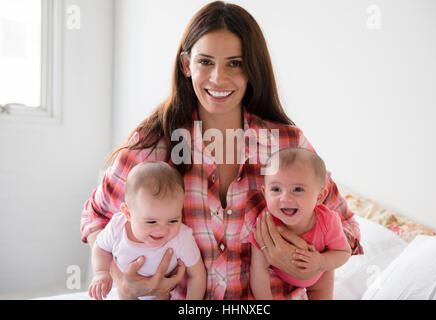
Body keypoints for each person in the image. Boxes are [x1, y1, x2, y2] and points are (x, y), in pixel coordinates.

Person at [80, 1, 363, 300]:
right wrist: (121, 279)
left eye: (235, 63)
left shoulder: (287, 144)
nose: (218, 78)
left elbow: (348, 229)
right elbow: (97, 216)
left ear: (252, 69)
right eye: (205, 62)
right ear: (187, 65)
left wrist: (310, 263)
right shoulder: (153, 143)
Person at [88, 161, 206, 300]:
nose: (162, 230)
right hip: (126, 295)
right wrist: (101, 272)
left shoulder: (182, 237)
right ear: (128, 214)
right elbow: (101, 248)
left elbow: (197, 275)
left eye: (173, 220)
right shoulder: (117, 227)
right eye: (151, 222)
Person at [249, 148, 351, 300]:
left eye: (297, 189)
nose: (285, 198)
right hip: (281, 280)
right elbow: (258, 270)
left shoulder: (328, 222)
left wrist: (321, 262)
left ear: (319, 196)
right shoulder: (266, 223)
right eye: (276, 189)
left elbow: (344, 253)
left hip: (320, 278)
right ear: (265, 193)